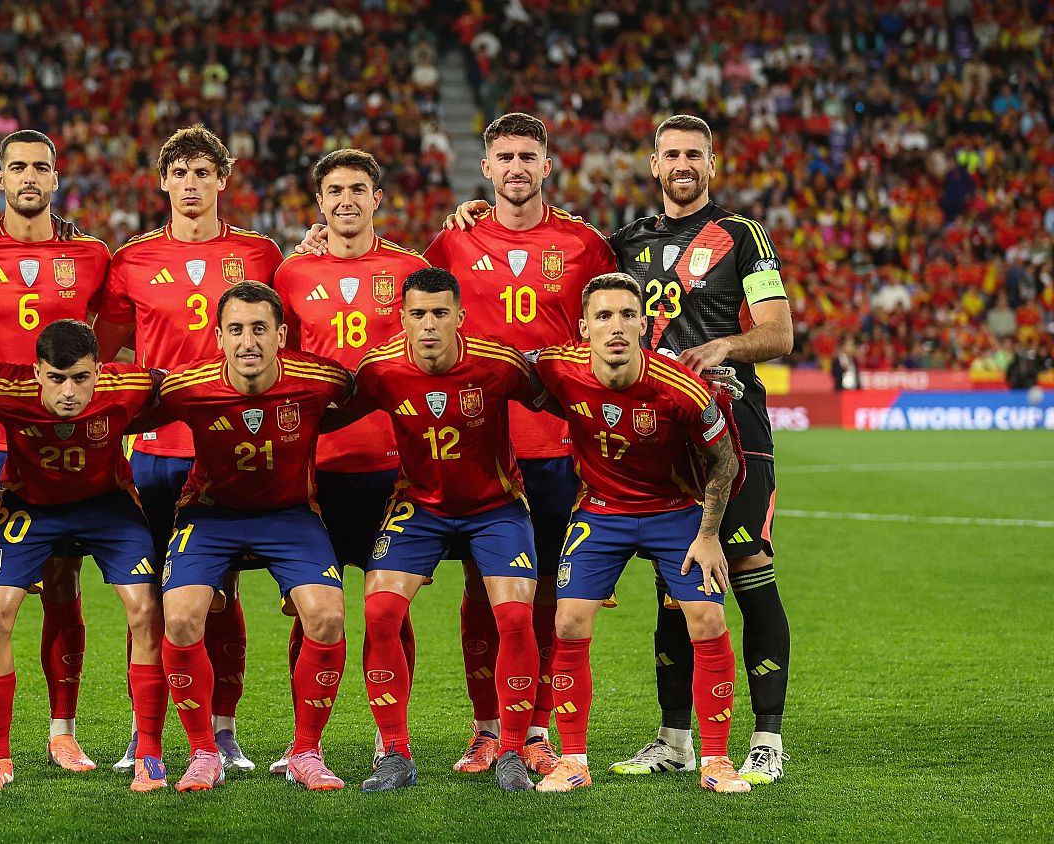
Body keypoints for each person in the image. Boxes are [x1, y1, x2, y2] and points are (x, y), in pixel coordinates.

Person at [307, 112, 616, 775]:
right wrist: (319, 241)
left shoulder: (586, 245)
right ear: (486, 168)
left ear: (547, 165)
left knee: (546, 602)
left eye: (528, 157)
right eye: (504, 157)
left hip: (556, 447)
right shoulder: (450, 244)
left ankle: (534, 732)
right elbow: (415, 303)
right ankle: (486, 730)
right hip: (478, 454)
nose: (516, 168)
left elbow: (602, 334)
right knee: (482, 595)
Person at [602, 116, 794, 785]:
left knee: (747, 568)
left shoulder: (741, 236)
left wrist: (725, 347)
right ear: (653, 165)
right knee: (673, 587)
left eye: (695, 154)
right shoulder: (624, 243)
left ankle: (767, 738)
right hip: (659, 435)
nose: (683, 163)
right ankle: (674, 739)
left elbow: (779, 332)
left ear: (711, 164)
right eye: (672, 154)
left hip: (733, 426)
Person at [94, 126, 283, 772]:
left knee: (222, 594)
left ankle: (223, 733)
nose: (193, 184)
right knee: (145, 598)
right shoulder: (134, 259)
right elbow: (108, 345)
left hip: (228, 453)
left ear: (223, 179)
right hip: (154, 454)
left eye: (205, 172)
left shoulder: (260, 254)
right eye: (182, 173)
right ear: (164, 181)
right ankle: (142, 732)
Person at [526, 272, 751, 795]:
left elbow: (723, 462)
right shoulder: (559, 367)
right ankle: (573, 760)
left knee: (707, 616)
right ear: (584, 329)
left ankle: (716, 761)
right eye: (603, 316)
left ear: (644, 324)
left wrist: (710, 533)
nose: (616, 327)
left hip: (674, 511)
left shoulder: (681, 387)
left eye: (628, 315)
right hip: (601, 510)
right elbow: (509, 371)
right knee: (570, 620)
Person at [0, 129, 112, 775]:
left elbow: (113, 338)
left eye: (41, 166)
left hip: (63, 447)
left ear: (56, 179)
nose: (29, 176)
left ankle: (63, 731)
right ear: (0, 180)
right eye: (18, 167)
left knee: (64, 581)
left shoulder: (91, 255)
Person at [345, 267, 547, 793]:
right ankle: (393, 751)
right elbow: (323, 412)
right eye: (418, 314)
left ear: (461, 316)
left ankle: (510, 749)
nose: (429, 324)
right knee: (379, 610)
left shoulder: (499, 364)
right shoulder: (380, 370)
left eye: (440, 313)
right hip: (420, 506)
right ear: (403, 320)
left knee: (515, 614)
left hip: (495, 506)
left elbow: (561, 394)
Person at [153, 281, 351, 792]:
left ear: (281, 334)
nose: (248, 342)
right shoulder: (187, 385)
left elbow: (368, 392)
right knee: (179, 617)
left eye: (260, 329)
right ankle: (203, 752)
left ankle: (306, 749)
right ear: (217, 336)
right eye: (236, 330)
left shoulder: (319, 379)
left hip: (289, 515)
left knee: (328, 617)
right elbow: (129, 405)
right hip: (210, 514)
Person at [267, 148, 427, 774]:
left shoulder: (411, 268)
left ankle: (394, 736)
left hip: (395, 465)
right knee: (314, 610)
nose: (346, 201)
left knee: (390, 609)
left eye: (358, 189)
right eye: (334, 191)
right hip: (318, 467)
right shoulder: (292, 273)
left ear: (377, 198)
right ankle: (305, 743)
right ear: (320, 202)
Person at [0, 320, 169, 793]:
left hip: (107, 506)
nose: (70, 391)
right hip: (29, 507)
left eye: (80, 377)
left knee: (146, 608)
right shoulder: (2, 386)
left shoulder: (130, 383)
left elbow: (183, 386)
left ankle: (150, 754)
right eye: (56, 379)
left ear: (100, 370)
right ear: (36, 373)